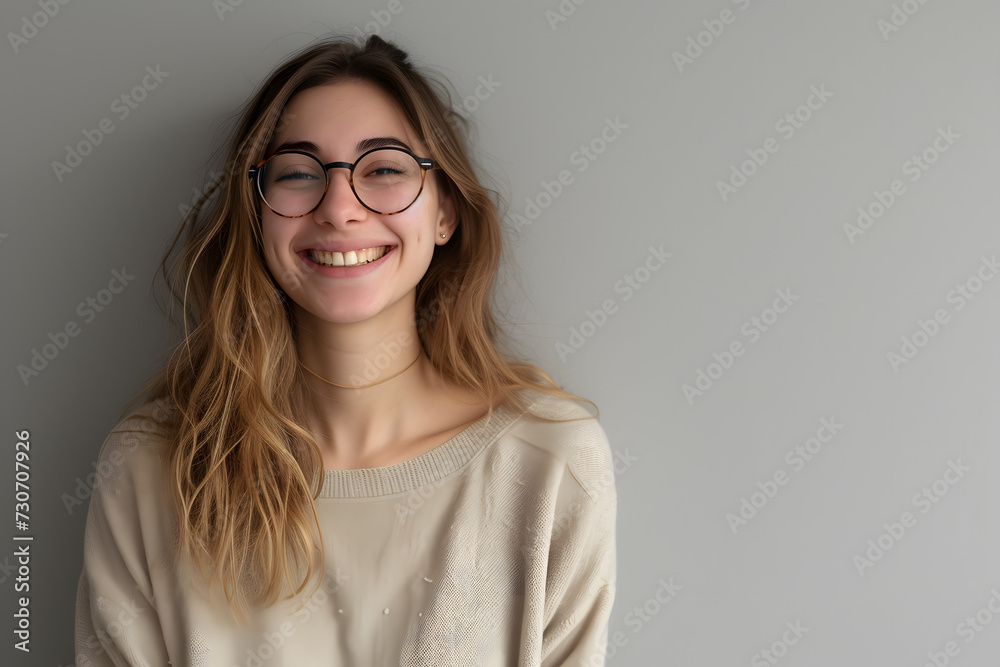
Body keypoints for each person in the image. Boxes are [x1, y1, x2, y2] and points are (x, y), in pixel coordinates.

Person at [73, 33, 617, 666]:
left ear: (445, 212)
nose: (339, 208)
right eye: (299, 173)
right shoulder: (147, 468)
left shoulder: (550, 462)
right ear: (256, 217)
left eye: (383, 168)